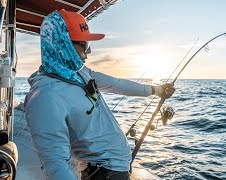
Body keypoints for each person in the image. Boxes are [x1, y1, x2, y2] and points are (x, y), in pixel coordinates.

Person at [24, 9, 175, 180]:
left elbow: (116, 84)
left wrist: (156, 90)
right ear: (63, 43)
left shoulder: (77, 72)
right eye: (84, 45)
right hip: (103, 174)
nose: (88, 52)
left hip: (115, 169)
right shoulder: (45, 97)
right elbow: (56, 167)